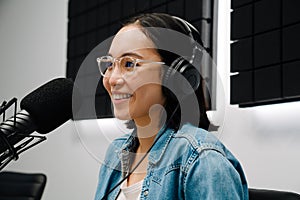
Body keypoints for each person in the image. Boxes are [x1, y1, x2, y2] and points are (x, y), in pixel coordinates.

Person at [94, 13, 248, 200]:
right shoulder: (117, 152)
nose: (112, 79)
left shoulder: (202, 159)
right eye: (109, 64)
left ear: (175, 76)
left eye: (129, 64)